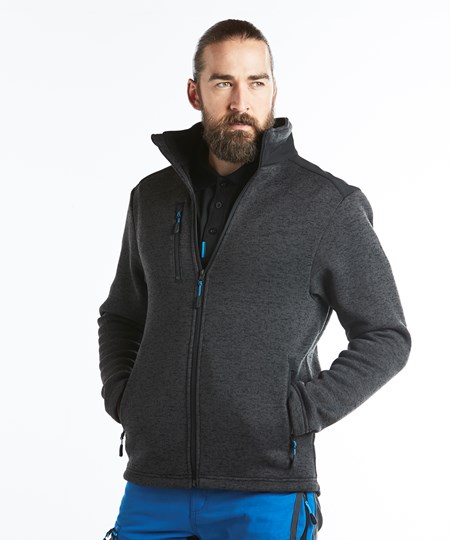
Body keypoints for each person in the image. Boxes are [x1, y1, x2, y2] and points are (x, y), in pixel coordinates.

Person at [98, 19, 411, 540]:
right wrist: (125, 398)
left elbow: (386, 335)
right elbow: (122, 314)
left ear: (273, 91)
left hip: (267, 488)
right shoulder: (152, 198)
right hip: (154, 483)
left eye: (256, 82)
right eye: (223, 82)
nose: (240, 101)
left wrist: (296, 413)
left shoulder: (326, 205)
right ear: (195, 93)